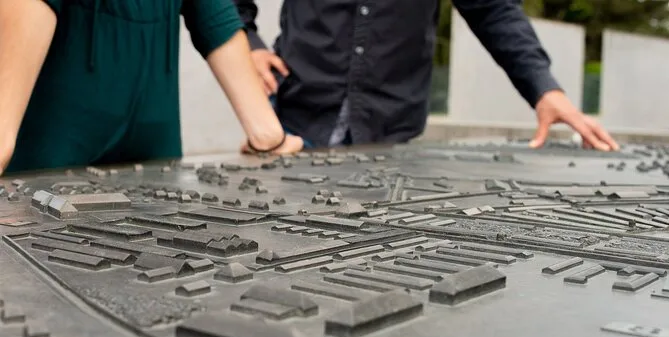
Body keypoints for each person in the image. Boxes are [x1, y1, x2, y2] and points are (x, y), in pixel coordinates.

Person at [234, 0, 619, 152]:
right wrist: (247, 39)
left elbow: (493, 8)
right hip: (297, 117)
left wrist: (544, 88)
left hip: (392, 133)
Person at [0, 0, 303, 175]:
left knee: (169, 249)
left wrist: (265, 132)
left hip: (153, 140)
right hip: (57, 138)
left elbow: (212, 14)